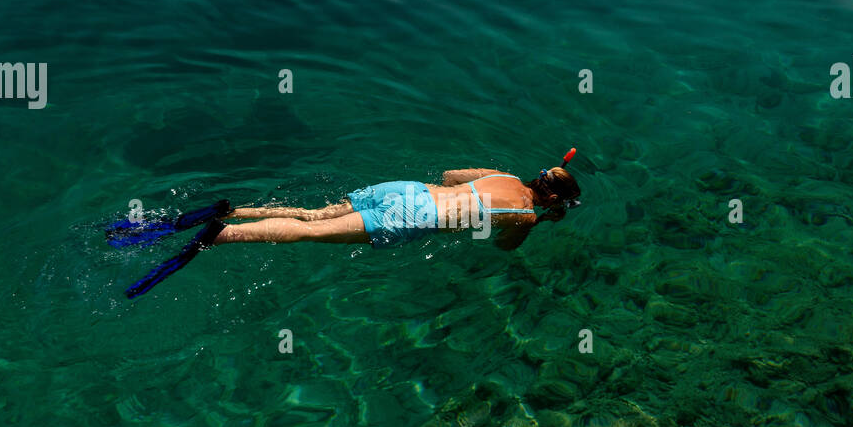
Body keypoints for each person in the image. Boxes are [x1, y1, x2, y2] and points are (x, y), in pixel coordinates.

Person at [108, 149, 582, 297]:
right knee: (310, 232)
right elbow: (504, 247)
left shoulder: (503, 176)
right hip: (417, 216)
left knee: (313, 214)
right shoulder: (524, 215)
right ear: (552, 199)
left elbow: (450, 176)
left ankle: (227, 212)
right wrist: (541, 220)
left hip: (407, 190)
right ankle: (224, 234)